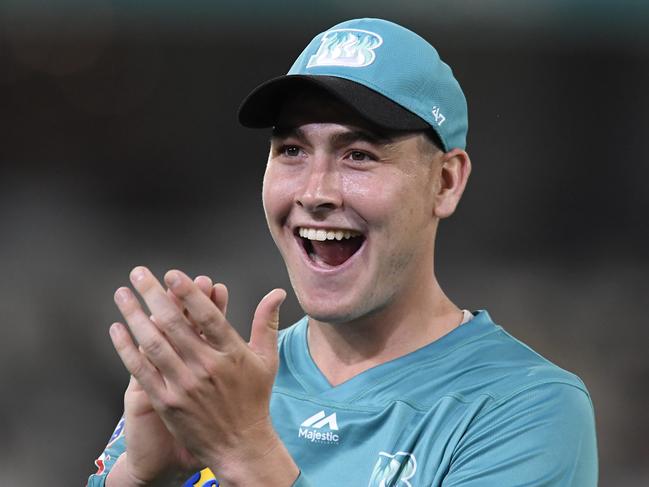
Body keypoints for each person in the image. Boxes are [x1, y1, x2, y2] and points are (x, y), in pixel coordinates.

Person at [88, 18, 598, 487]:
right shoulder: (218, 392)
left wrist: (243, 452)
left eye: (359, 155)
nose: (315, 192)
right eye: (292, 151)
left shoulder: (526, 408)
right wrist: (138, 478)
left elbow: (241, 445)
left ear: (445, 181)